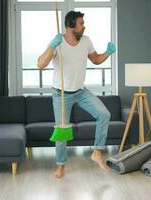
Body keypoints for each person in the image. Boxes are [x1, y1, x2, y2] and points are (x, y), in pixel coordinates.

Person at [37, 11, 116, 179]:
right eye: (81, 23)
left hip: (81, 91)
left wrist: (108, 52)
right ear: (70, 26)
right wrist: (52, 46)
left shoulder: (86, 41)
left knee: (104, 114)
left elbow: (95, 59)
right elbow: (40, 64)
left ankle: (97, 152)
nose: (84, 26)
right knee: (62, 131)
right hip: (61, 94)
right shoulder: (58, 43)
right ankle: (61, 166)